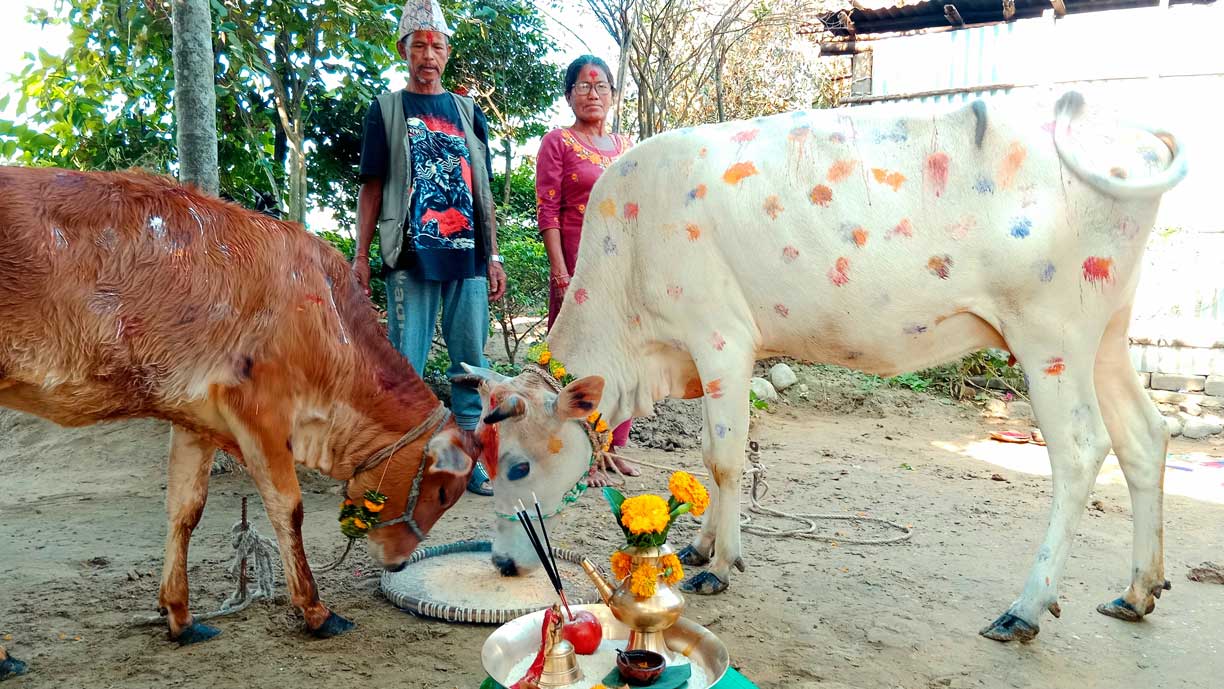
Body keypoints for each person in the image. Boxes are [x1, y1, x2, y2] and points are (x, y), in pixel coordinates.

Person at [352, 0, 505, 495]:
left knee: (469, 367)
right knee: (406, 371)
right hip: (411, 257)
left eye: (437, 45)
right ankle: (404, 464)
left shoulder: (467, 112)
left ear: (447, 52)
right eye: (419, 45)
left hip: (469, 258)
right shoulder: (387, 110)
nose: (429, 54)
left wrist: (494, 255)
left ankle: (466, 462)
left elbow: (481, 186)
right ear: (404, 51)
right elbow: (371, 186)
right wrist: (360, 256)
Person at [535, 56, 639, 486]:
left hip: (620, 271)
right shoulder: (557, 142)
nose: (592, 95)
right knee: (580, 359)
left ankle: (613, 448)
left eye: (600, 87)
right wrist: (560, 270)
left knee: (623, 356)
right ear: (569, 95)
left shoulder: (626, 146)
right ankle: (584, 454)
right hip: (577, 267)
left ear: (613, 95)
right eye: (582, 87)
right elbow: (549, 211)